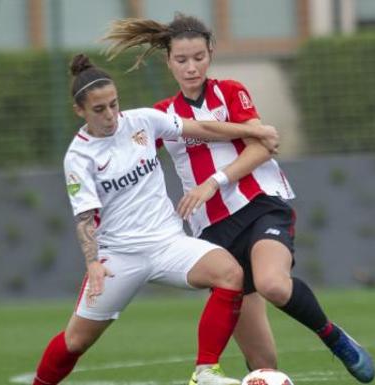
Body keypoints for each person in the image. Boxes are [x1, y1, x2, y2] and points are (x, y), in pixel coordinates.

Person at [103, 14, 375, 383]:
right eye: (181, 60)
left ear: (210, 53)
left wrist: (214, 181)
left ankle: (334, 338)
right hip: (213, 231)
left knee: (273, 284)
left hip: (261, 205)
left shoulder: (230, 91)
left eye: (198, 57)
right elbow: (132, 161)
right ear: (168, 61)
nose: (191, 67)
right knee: (264, 366)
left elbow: (262, 148)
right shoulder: (161, 114)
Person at [31, 53, 281, 385]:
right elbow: (85, 217)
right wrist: (92, 263)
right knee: (76, 340)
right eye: (99, 109)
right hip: (119, 256)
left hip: (168, 243)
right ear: (80, 111)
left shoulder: (143, 121)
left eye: (113, 104)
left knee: (229, 273)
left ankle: (205, 371)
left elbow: (203, 128)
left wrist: (258, 131)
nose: (110, 115)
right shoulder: (79, 156)